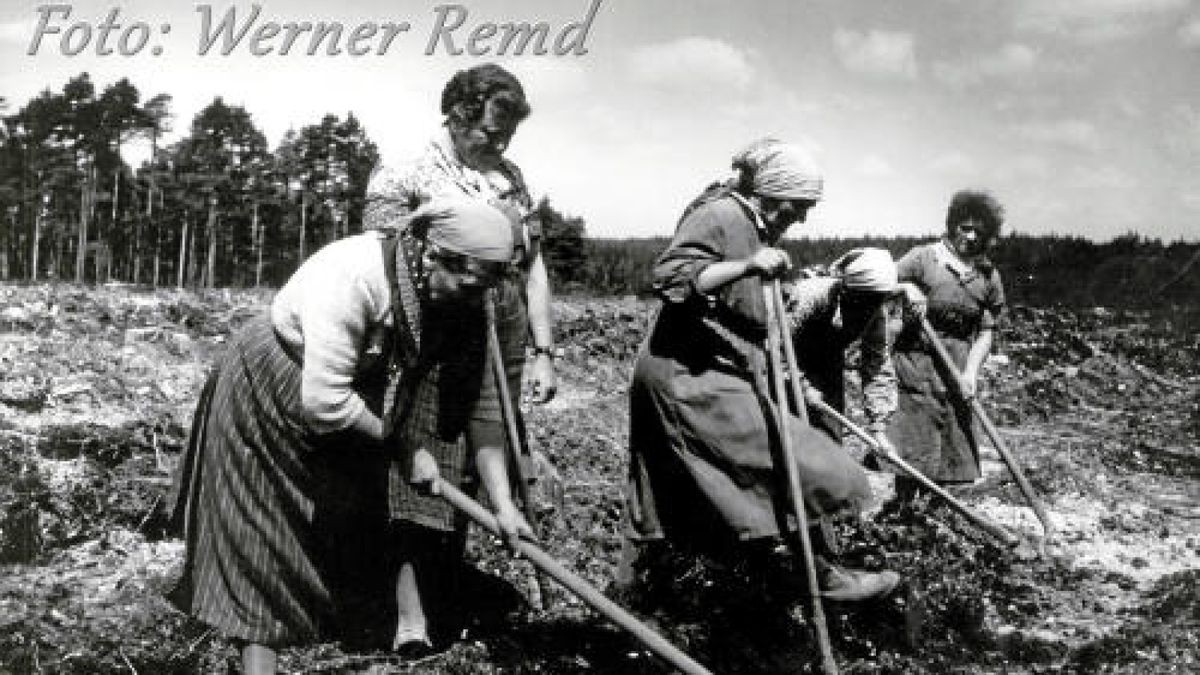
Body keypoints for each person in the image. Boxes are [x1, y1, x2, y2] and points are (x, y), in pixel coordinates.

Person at [167, 198, 531, 675]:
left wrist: (503, 504)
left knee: (329, 518)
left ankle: (309, 623)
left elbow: (484, 409)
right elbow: (324, 401)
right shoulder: (352, 277)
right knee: (261, 522)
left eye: (483, 286)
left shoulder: (463, 297)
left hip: (350, 394)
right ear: (431, 254)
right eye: (466, 282)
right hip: (272, 381)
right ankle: (258, 658)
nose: (472, 295)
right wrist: (404, 447)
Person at [621, 138, 900, 603]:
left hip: (718, 368)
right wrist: (746, 265)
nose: (803, 218)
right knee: (806, 464)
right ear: (771, 191)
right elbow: (671, 278)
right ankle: (814, 576)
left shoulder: (754, 224)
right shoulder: (721, 215)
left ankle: (655, 592)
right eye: (800, 205)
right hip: (689, 374)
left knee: (685, 488)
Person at [366, 63, 557, 407]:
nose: (500, 147)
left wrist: (543, 352)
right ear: (457, 119)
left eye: (508, 137)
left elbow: (533, 266)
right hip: (436, 334)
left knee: (499, 435)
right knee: (437, 446)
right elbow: (381, 259)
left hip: (505, 331)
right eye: (490, 133)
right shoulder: (406, 167)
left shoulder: (510, 178)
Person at [886, 190, 1007, 489]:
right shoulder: (924, 258)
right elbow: (879, 282)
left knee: (952, 449)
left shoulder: (988, 276)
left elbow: (986, 330)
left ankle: (935, 516)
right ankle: (904, 515)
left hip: (957, 368)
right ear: (952, 224)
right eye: (964, 227)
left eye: (978, 232)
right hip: (918, 363)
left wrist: (971, 373)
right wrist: (904, 289)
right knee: (914, 451)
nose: (969, 236)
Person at [786, 247, 900, 451]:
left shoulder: (875, 311)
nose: (870, 307)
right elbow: (777, 347)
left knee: (827, 445)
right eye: (865, 299)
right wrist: (802, 386)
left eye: (879, 299)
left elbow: (878, 366)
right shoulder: (810, 296)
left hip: (829, 368)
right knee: (788, 444)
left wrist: (878, 428)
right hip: (787, 367)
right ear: (848, 291)